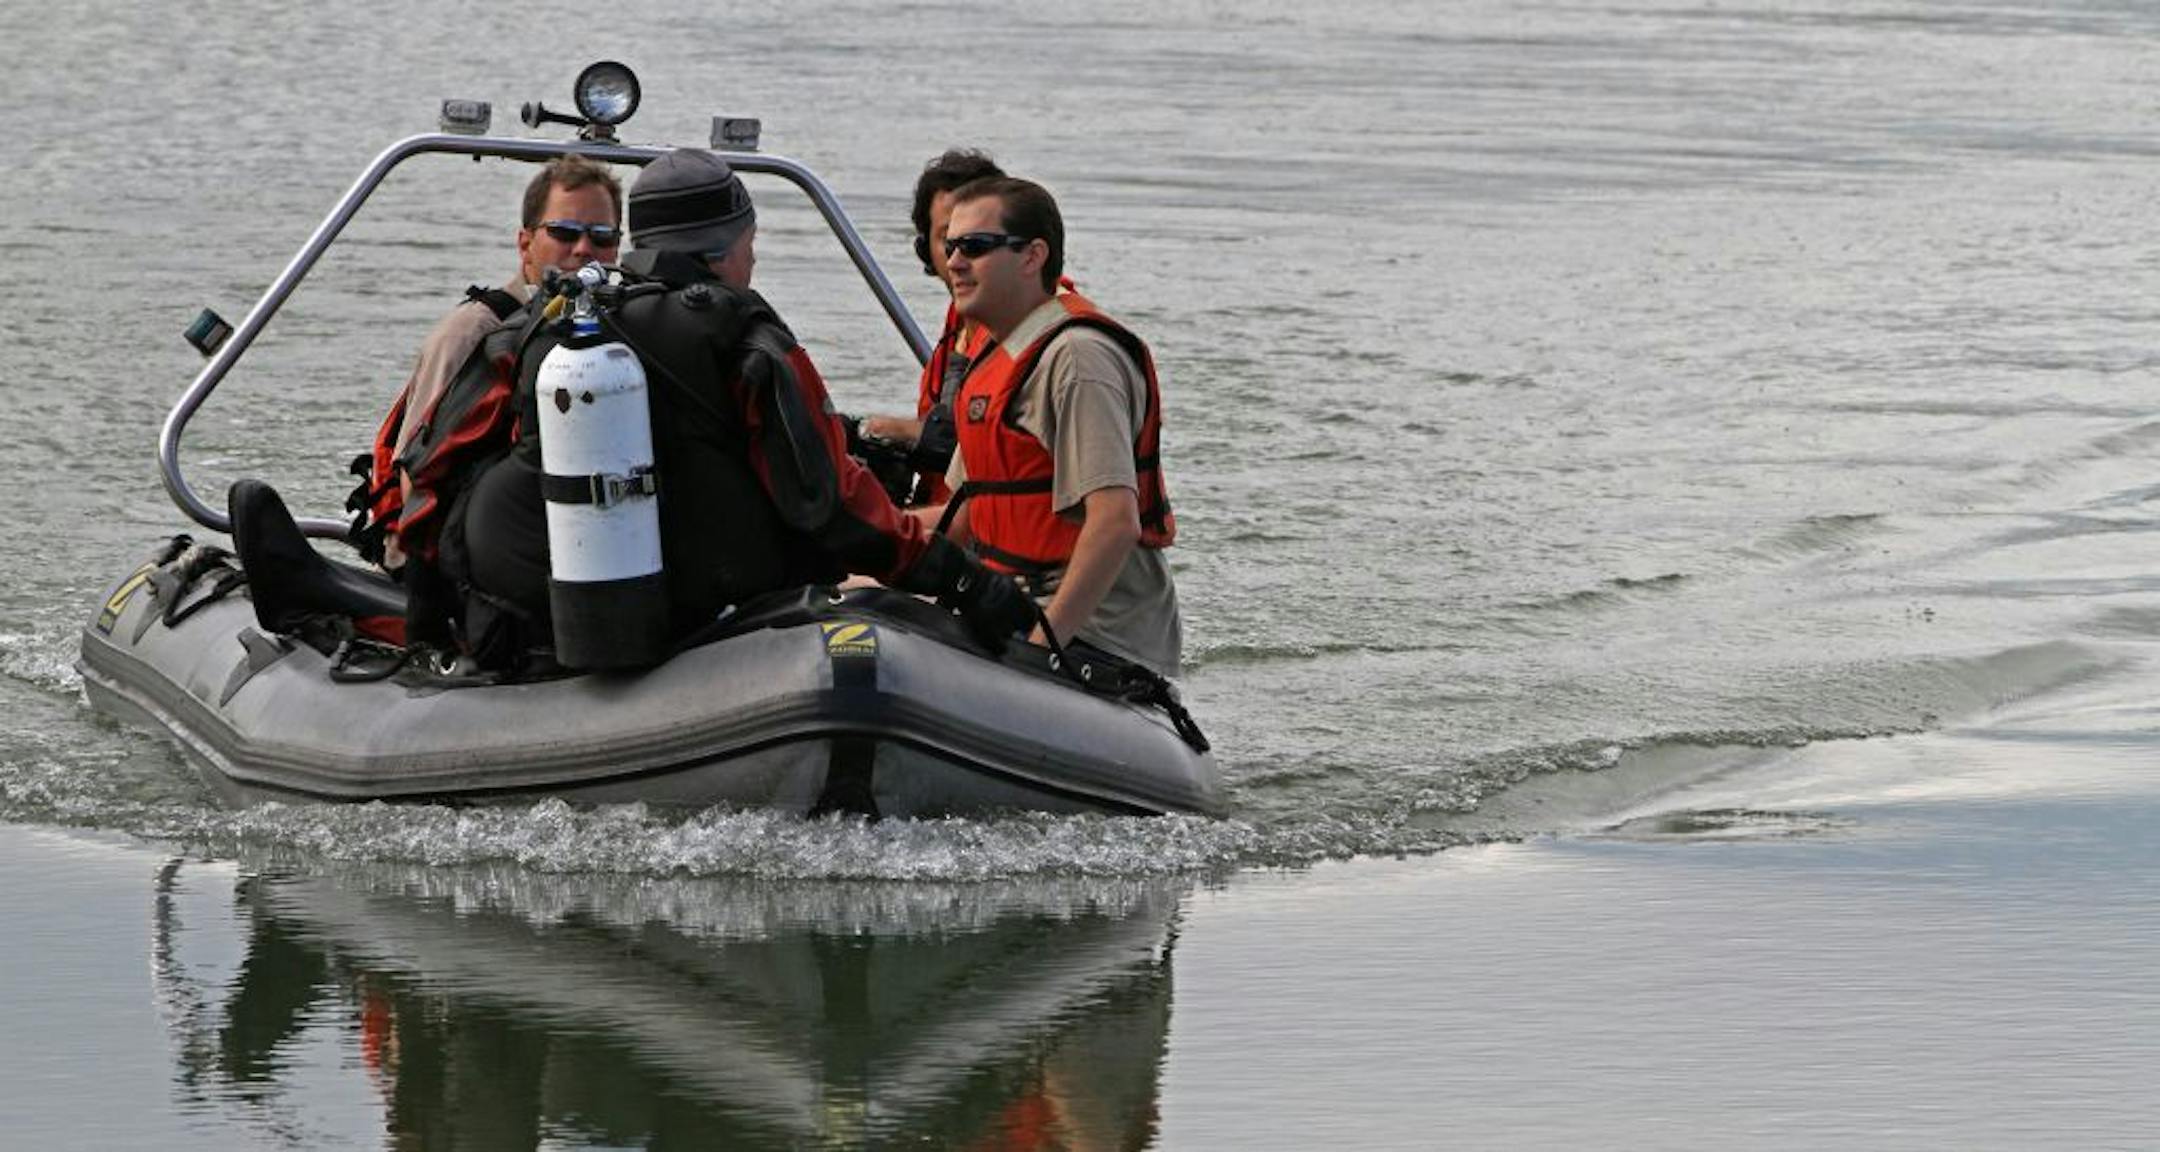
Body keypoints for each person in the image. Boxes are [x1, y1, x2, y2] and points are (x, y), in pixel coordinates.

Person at [440, 149, 1032, 669]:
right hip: (692, 619)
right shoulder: (741, 333)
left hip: (519, 612)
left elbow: (444, 461)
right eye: (751, 246)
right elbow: (829, 504)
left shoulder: (550, 321)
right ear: (725, 247)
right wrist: (967, 583)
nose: (751, 265)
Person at [938, 177, 1183, 676]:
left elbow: (1115, 522)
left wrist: (1039, 649)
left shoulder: (1077, 359)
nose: (955, 261)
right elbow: (962, 520)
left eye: (976, 246)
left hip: (1098, 635)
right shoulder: (994, 356)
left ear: (1032, 257)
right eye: (950, 246)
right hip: (1012, 600)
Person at [351, 155, 624, 573]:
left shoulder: (621, 339)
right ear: (525, 243)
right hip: (464, 563)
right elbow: (415, 479)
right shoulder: (473, 334)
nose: (584, 248)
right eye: (564, 232)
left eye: (601, 236)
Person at [850, 148, 1007, 507]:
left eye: (978, 241)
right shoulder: (961, 321)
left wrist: (895, 430)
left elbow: (1000, 447)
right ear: (925, 250)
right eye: (948, 238)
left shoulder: (1035, 330)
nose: (960, 257)